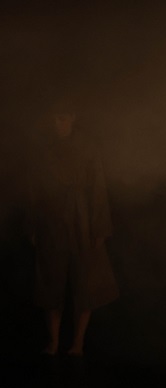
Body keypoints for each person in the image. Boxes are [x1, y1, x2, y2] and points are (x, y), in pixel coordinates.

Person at [26, 98, 119, 356]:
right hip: (51, 223)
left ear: (73, 118)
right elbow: (34, 191)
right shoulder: (44, 150)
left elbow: (98, 188)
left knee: (85, 285)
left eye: (63, 118)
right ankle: (54, 342)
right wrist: (33, 225)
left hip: (81, 223)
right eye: (56, 119)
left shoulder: (88, 147)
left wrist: (100, 227)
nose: (59, 124)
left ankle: (78, 343)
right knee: (51, 284)